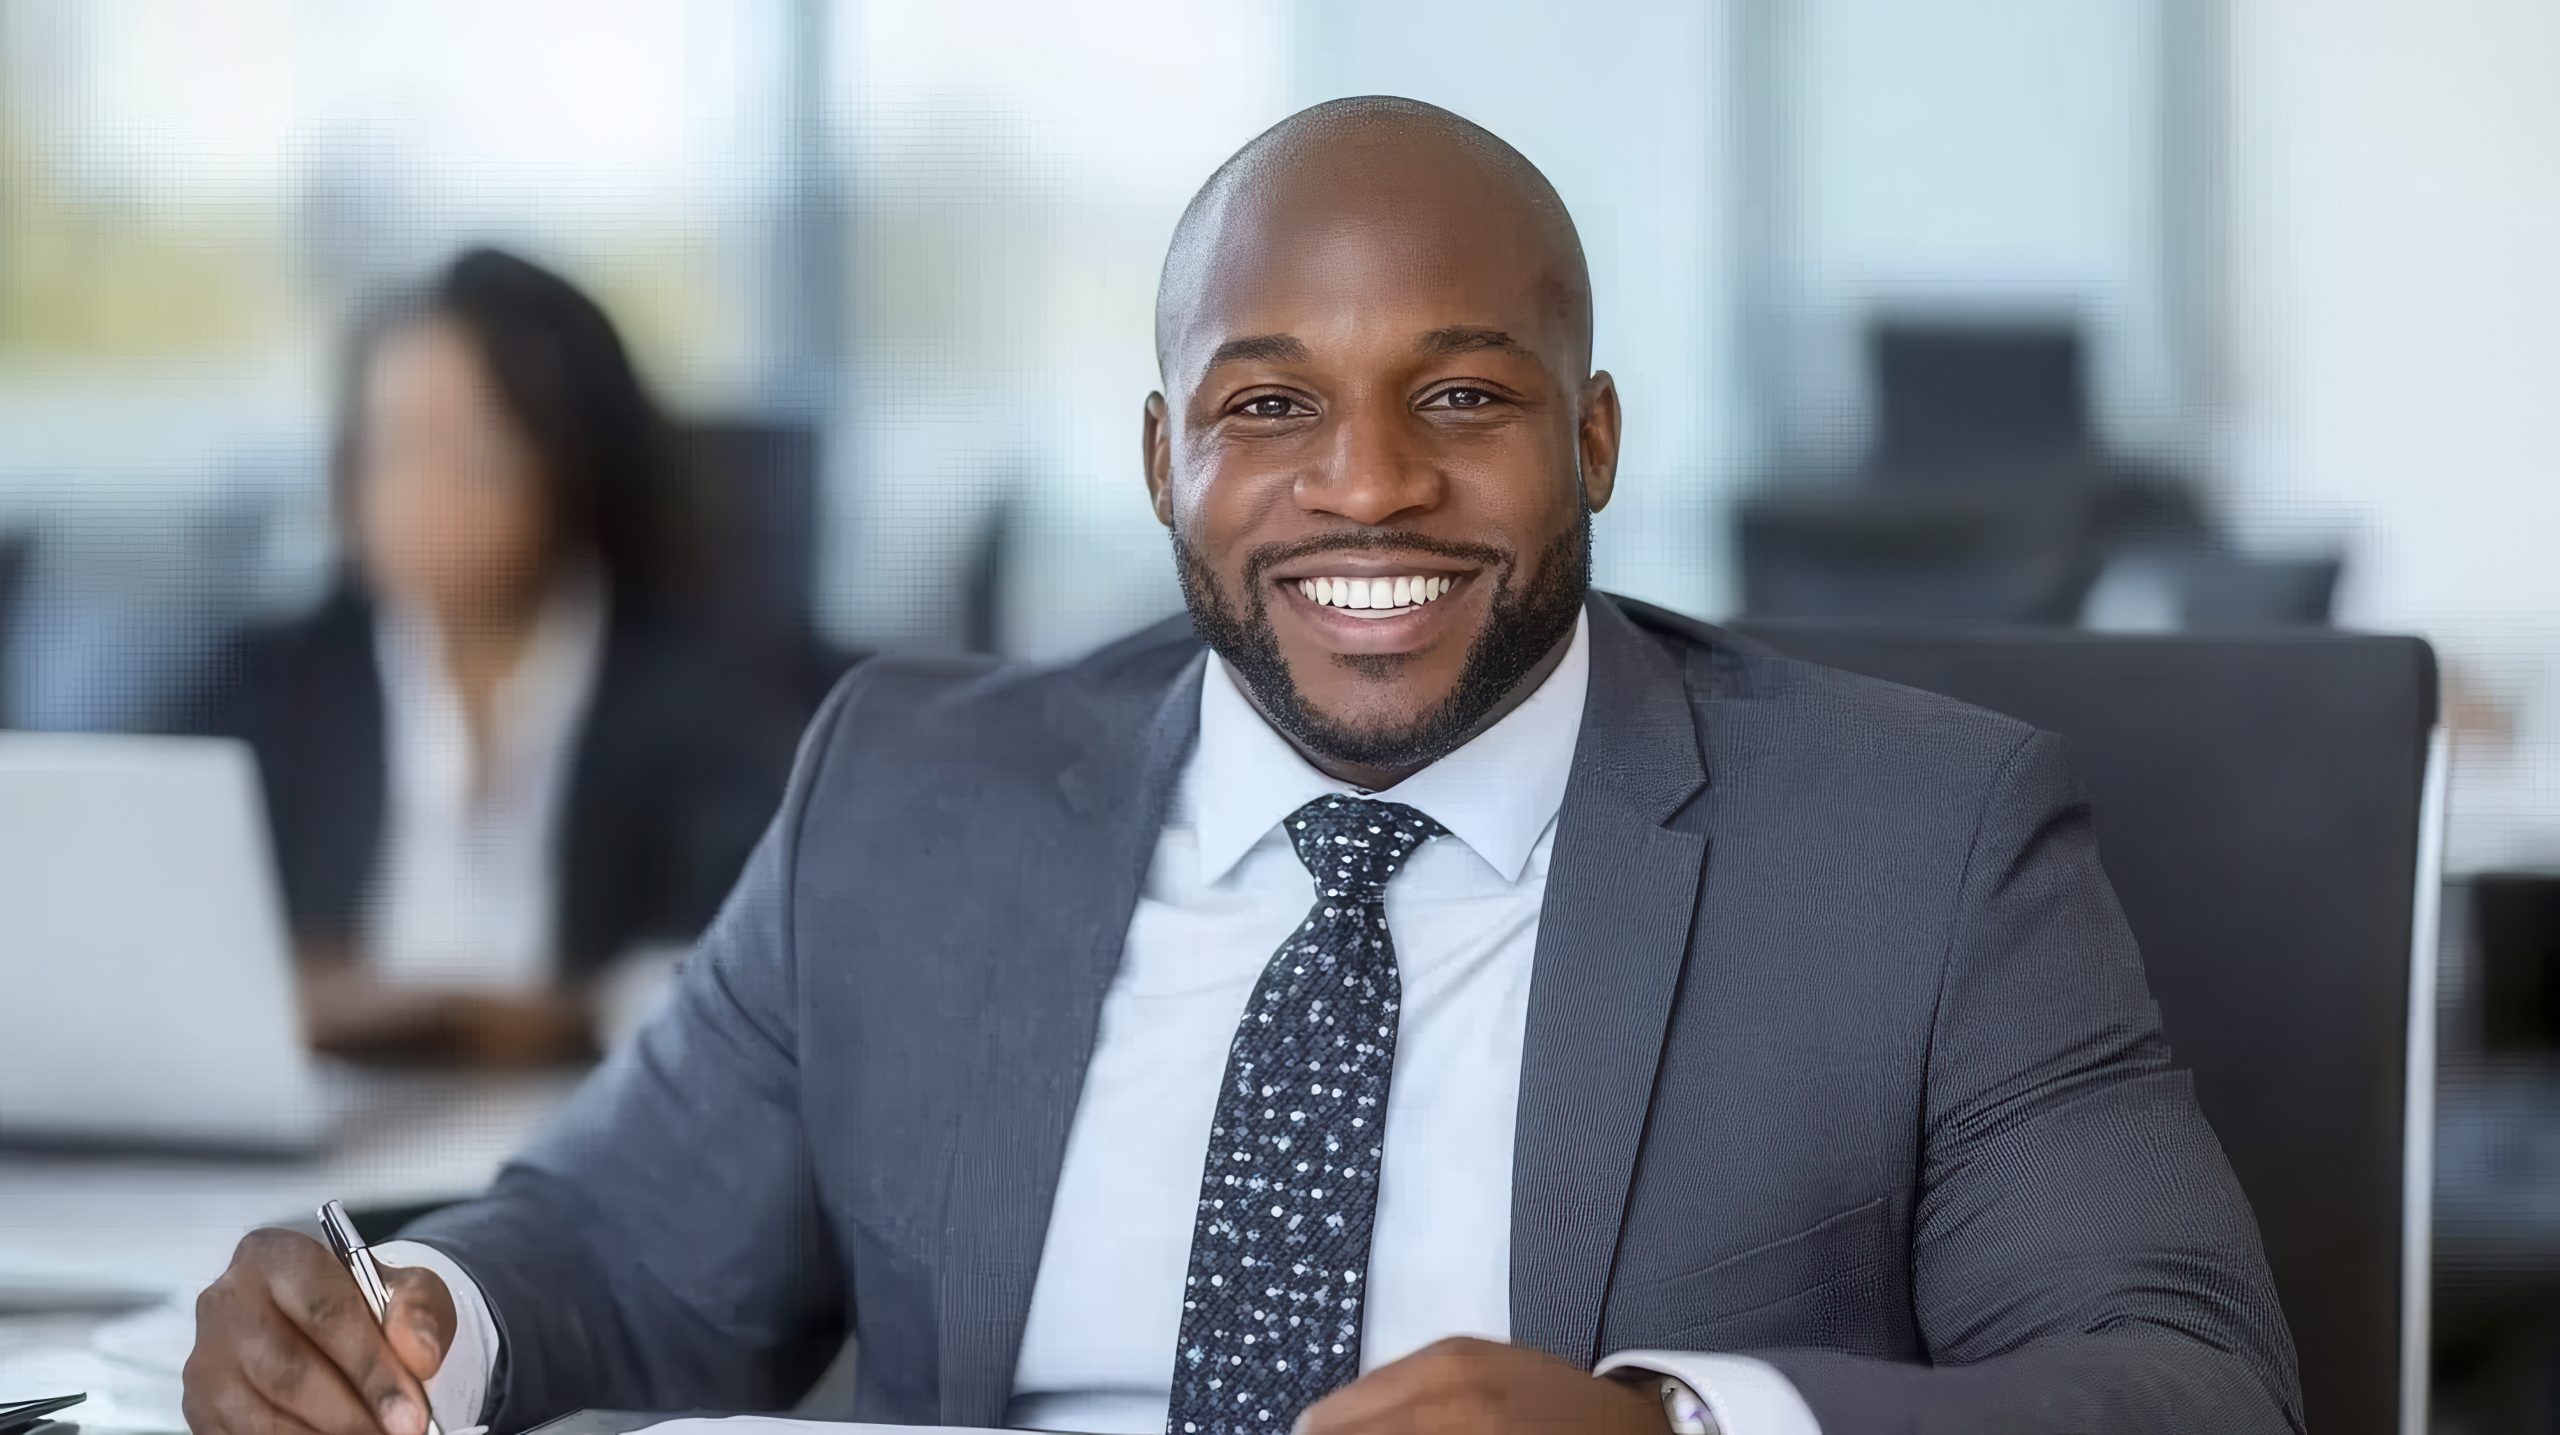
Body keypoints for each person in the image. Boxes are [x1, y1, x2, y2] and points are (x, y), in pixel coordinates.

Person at [182, 100, 2302, 1434]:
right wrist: (407, 1323)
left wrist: (1667, 1432)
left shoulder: (1913, 843)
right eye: (1268, 408)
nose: (1362, 488)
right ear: (1160, 458)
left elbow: (2185, 1380)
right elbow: (624, 1246)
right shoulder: (909, 792)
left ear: (1593, 441)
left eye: (1459, 394)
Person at [191, 248, 799, 1067]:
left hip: (594, 1138)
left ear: (572, 457)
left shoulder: (707, 692)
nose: (419, 490)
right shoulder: (273, 681)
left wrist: (523, 1019)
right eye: (391, 445)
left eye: (469, 449)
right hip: (337, 1140)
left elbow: (752, 973)